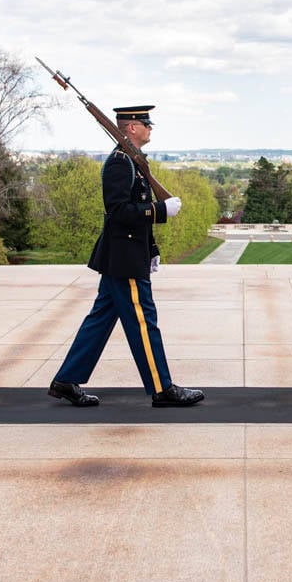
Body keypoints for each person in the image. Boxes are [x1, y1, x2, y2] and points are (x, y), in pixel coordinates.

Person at [48, 105, 206, 408]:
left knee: (100, 320)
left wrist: (152, 250)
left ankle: (66, 381)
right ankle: (162, 388)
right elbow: (118, 212)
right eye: (146, 123)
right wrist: (161, 210)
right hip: (124, 260)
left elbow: (134, 216)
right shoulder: (121, 163)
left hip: (126, 255)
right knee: (145, 323)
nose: (150, 128)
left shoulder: (132, 161)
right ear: (131, 127)